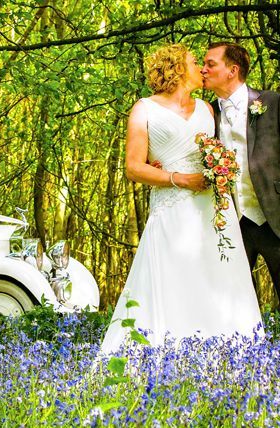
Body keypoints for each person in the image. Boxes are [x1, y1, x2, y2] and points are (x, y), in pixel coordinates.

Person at [99, 44, 263, 354]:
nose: (201, 68)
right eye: (193, 62)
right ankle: (164, 353)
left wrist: (222, 169)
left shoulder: (208, 109)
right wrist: (176, 178)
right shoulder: (144, 109)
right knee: (171, 280)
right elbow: (134, 167)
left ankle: (225, 356)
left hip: (212, 209)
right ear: (176, 68)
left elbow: (221, 152)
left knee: (216, 280)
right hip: (171, 207)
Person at [201, 42, 280, 341]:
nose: (203, 70)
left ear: (232, 70)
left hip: (275, 214)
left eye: (210, 64)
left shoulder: (271, 102)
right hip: (230, 220)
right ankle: (228, 360)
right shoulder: (206, 113)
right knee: (226, 297)